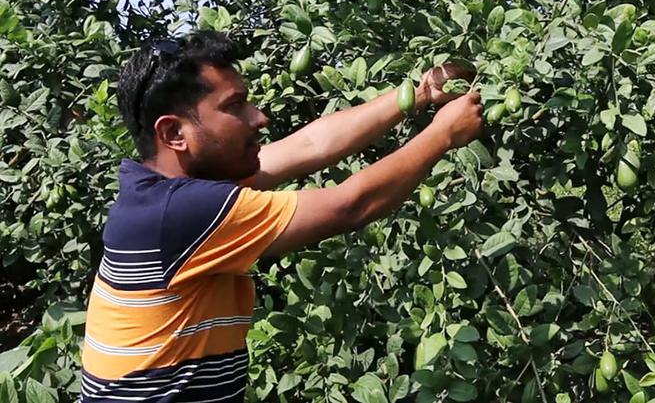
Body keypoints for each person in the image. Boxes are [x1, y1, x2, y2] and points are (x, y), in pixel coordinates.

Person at [79, 30, 483, 402]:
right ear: (173, 134)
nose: (259, 117)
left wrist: (420, 93)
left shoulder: (164, 191)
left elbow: (311, 144)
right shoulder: (183, 212)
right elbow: (352, 205)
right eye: (234, 106)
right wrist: (443, 135)